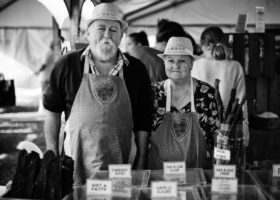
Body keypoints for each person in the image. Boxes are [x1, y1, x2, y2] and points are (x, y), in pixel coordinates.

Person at [43, 3, 153, 185]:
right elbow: (52, 111)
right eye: (100, 28)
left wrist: (141, 162)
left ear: (121, 36)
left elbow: (143, 120)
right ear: (88, 33)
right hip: (75, 166)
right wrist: (52, 156)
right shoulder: (67, 65)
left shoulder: (136, 70)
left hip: (122, 167)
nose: (107, 35)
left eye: (114, 30)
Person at [147, 37, 220, 169]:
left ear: (191, 63)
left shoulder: (206, 93)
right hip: (160, 179)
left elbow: (218, 137)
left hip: (196, 174)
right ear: (164, 62)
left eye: (182, 60)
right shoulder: (153, 92)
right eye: (170, 60)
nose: (176, 66)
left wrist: (219, 170)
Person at [191, 26, 249, 147]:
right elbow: (242, 103)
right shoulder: (235, 66)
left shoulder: (195, 65)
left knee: (203, 164)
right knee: (225, 164)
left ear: (205, 45)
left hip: (201, 127)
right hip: (228, 128)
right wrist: (245, 132)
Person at [36, 41, 55, 112]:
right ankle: (43, 107)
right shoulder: (51, 53)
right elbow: (45, 64)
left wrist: (38, 71)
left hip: (45, 77)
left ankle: (43, 108)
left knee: (44, 92)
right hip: (48, 76)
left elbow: (44, 64)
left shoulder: (49, 53)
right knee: (46, 92)